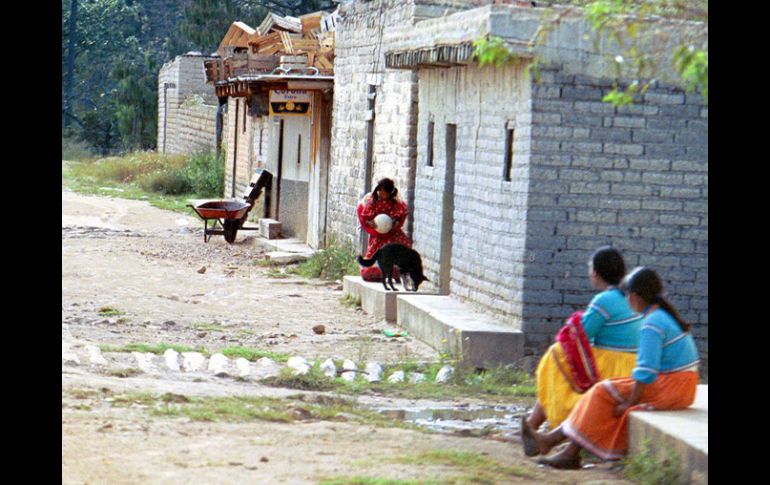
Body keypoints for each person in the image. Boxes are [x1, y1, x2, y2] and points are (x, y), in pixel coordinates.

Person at [524, 267, 700, 469]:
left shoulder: (652, 323)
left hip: (673, 386)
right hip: (679, 384)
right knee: (603, 390)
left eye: (627, 296)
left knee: (602, 392)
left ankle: (560, 446)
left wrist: (630, 401)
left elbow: (646, 371)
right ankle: (561, 446)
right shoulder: (659, 316)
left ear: (635, 297)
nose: (626, 301)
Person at [522, 246, 642, 456]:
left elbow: (582, 335)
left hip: (615, 365)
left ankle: (533, 424)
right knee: (559, 359)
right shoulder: (629, 296)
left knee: (555, 355)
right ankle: (534, 427)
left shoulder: (604, 300)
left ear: (595, 273)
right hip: (633, 364)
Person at [357, 178, 411, 281]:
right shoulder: (373, 202)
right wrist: (370, 223)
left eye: (384, 191)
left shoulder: (395, 204)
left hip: (392, 234)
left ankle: (396, 271)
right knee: (375, 253)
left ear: (390, 192)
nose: (381, 193)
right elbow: (366, 217)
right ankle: (376, 273)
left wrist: (395, 223)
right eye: (379, 190)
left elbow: (399, 217)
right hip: (378, 235)